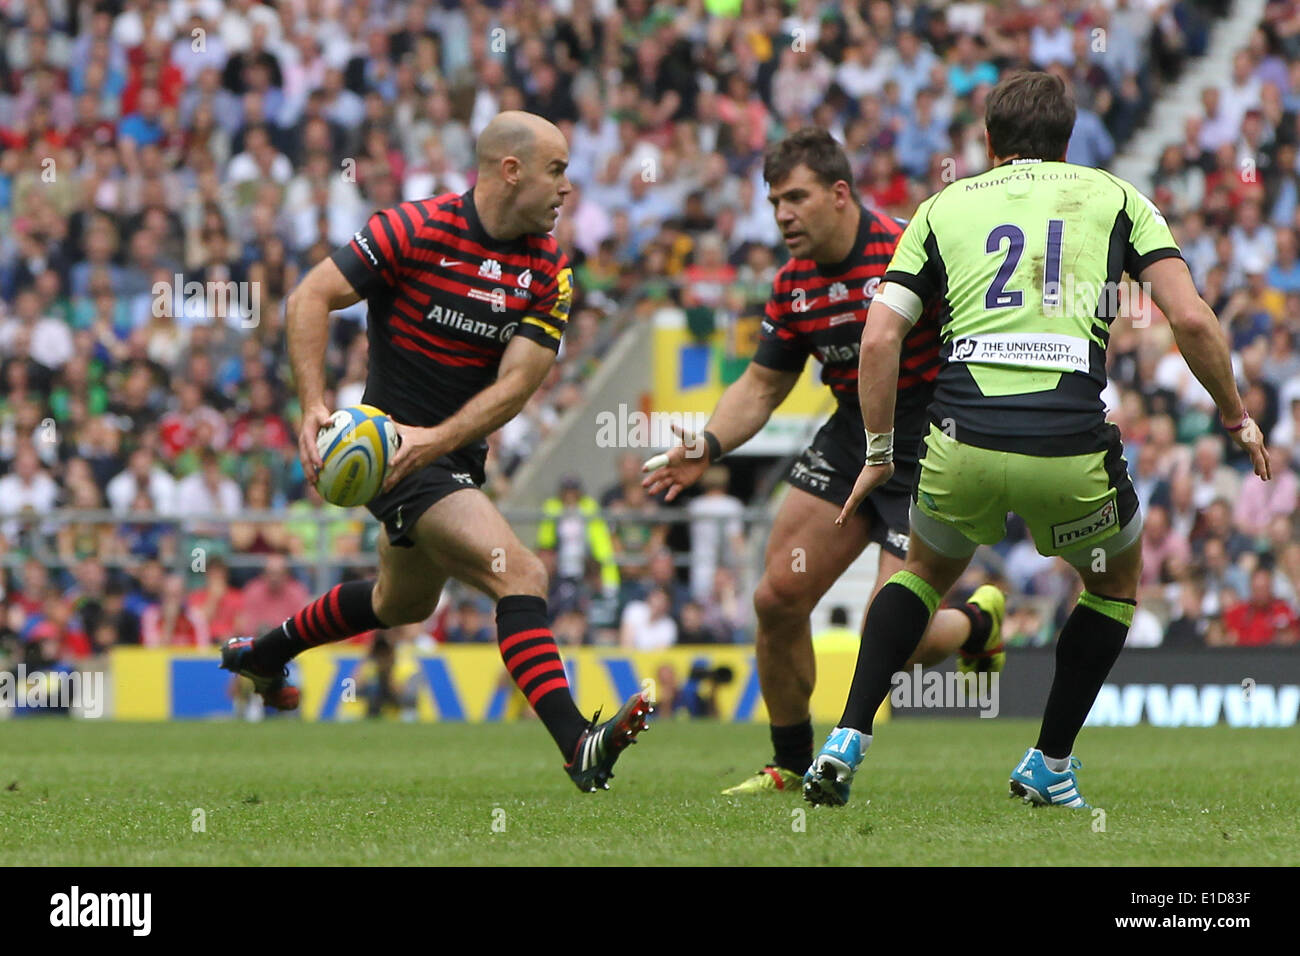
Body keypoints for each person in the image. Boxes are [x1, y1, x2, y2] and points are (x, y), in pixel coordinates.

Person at [805, 72, 1270, 809]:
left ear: (989, 144)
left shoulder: (942, 206)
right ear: (1068, 140)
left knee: (921, 573)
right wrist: (1236, 416)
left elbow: (880, 337)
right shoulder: (1118, 198)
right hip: (1069, 449)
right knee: (1115, 585)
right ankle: (1049, 762)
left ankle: (845, 739)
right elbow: (1192, 321)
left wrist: (881, 451)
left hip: (961, 442)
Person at [219, 111, 651, 793]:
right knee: (522, 574)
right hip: (388, 454)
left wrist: (439, 443)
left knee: (402, 604)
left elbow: (517, 385)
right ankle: (579, 745)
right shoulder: (413, 229)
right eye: (558, 170)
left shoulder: (550, 270)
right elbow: (309, 298)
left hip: (443, 455)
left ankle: (262, 656)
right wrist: (310, 405)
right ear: (511, 170)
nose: (568, 188)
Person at [643, 129, 1006, 795]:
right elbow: (759, 388)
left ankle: (976, 626)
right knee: (776, 597)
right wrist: (708, 444)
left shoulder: (912, 249)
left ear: (840, 194)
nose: (782, 213)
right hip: (850, 438)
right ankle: (787, 763)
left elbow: (983, 343)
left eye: (796, 197)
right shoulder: (792, 286)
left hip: (931, 436)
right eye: (774, 200)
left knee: (890, 630)